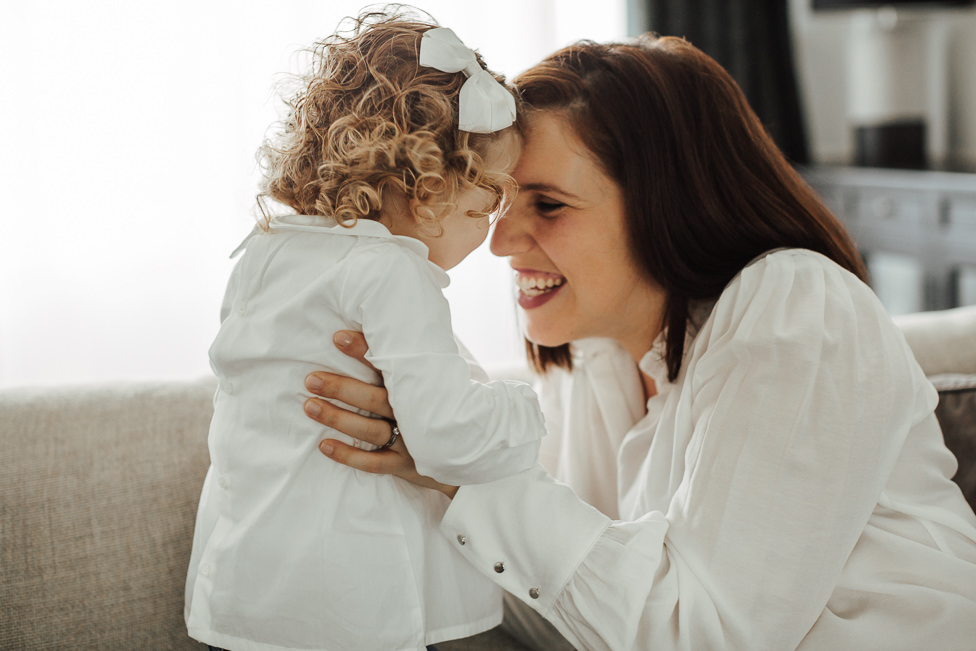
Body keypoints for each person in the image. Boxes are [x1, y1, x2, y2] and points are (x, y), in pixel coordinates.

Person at [302, 33, 976, 650]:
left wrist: (463, 467)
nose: (501, 242)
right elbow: (582, 608)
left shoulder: (798, 306)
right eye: (501, 202)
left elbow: (708, 632)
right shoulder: (591, 358)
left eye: (549, 204)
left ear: (667, 201)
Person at [184, 10, 548, 651]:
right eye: (478, 211)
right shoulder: (389, 270)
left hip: (248, 576)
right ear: (424, 191)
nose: (485, 238)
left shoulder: (266, 252)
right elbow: (449, 439)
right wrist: (525, 411)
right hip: (355, 590)